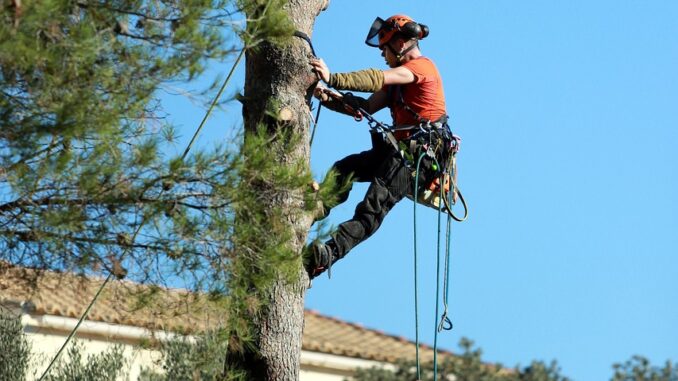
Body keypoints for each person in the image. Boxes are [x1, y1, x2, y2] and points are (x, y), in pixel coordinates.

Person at [307, 14, 452, 278]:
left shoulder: (422, 68)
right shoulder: (397, 86)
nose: (382, 54)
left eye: (385, 48)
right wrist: (326, 97)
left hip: (420, 156)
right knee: (346, 168)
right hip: (401, 151)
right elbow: (364, 106)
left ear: (400, 44)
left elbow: (376, 78)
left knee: (373, 206)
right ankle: (317, 206)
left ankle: (328, 254)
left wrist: (333, 78)